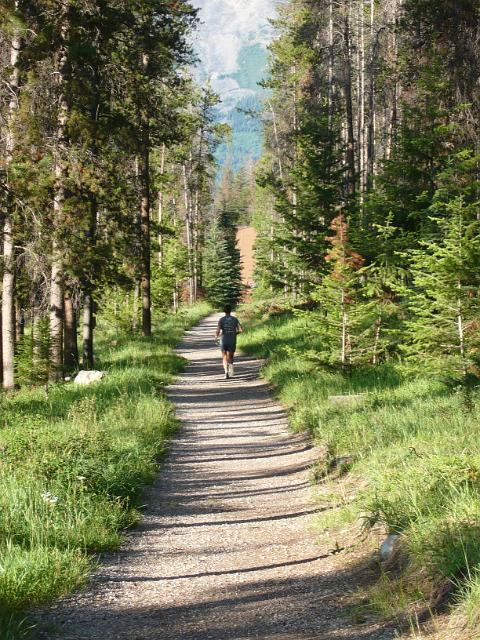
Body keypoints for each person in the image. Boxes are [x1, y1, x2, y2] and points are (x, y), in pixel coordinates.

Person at [215, 305, 243, 379]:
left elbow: (218, 331)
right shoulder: (235, 319)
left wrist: (216, 336)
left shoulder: (221, 320)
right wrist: (235, 333)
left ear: (224, 311)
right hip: (232, 340)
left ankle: (226, 373)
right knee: (230, 357)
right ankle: (231, 371)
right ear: (230, 311)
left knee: (224, 357)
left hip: (223, 340)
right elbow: (241, 330)